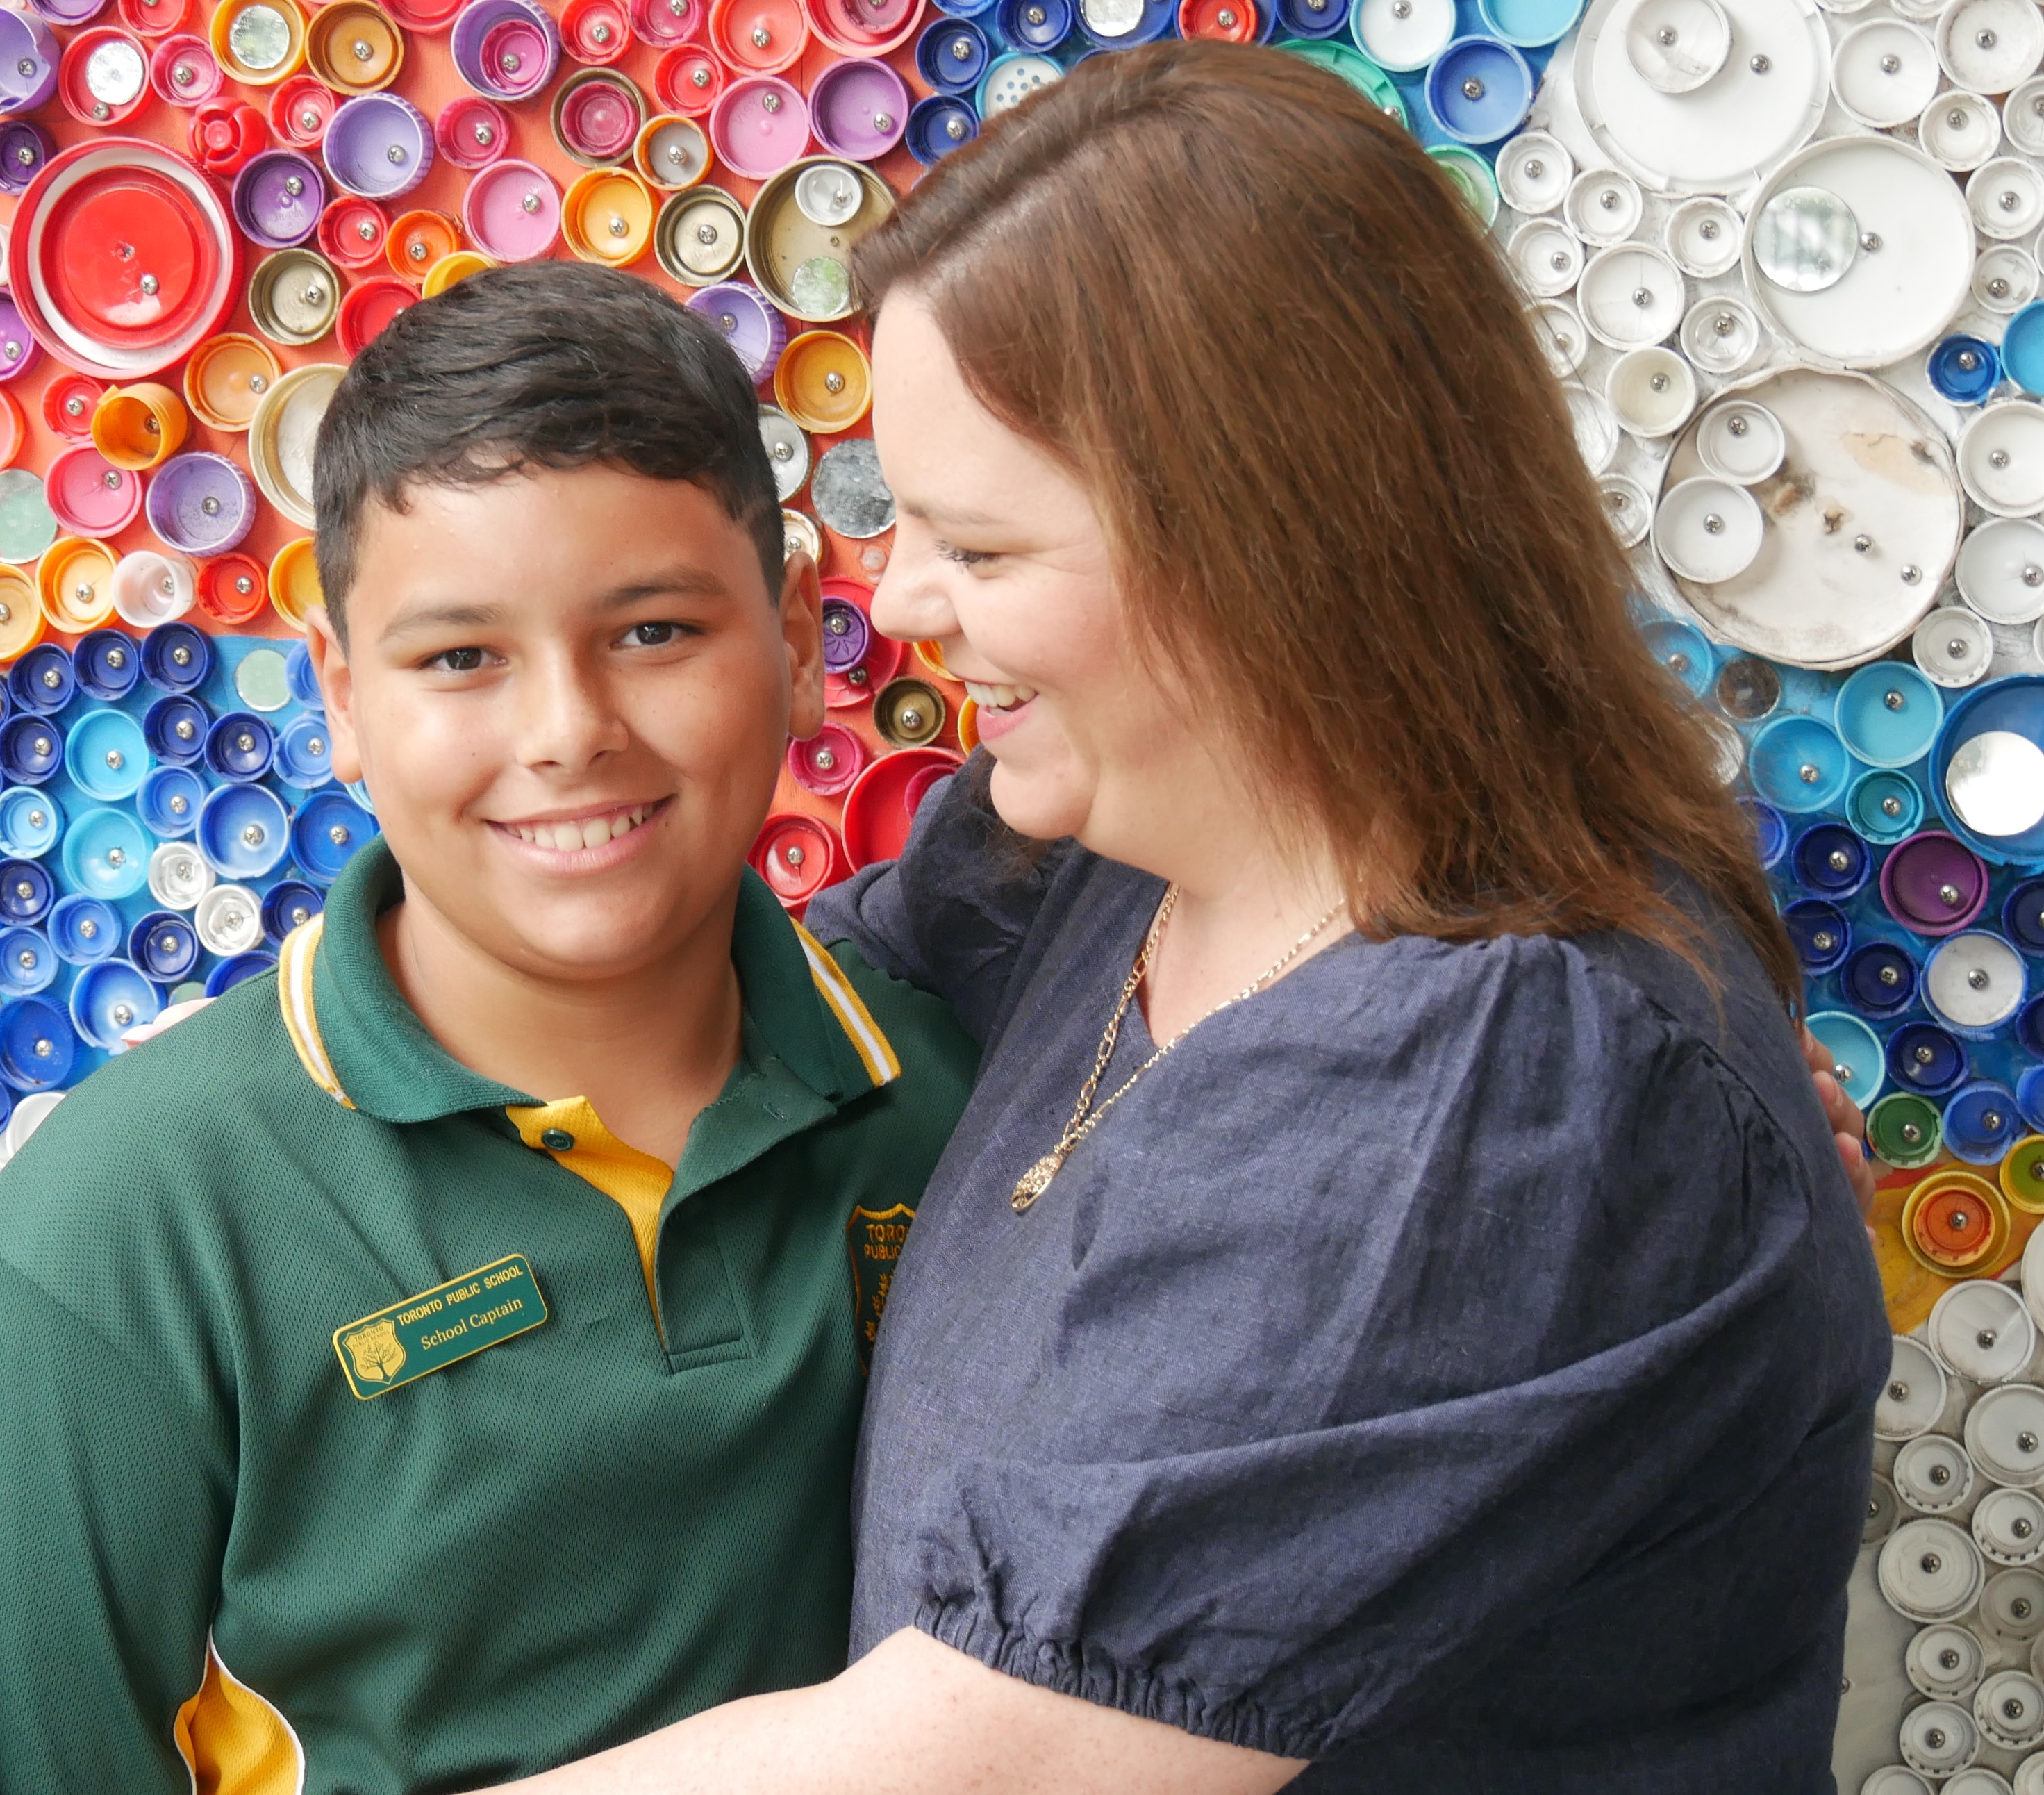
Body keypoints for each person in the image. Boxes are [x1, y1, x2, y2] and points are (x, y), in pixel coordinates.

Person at [496, 41, 1890, 1795]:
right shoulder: (1105, 864)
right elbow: (744, 1005)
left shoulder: (1497, 1085)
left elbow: (953, 1775)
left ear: (1269, 549)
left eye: (982, 550)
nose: (902, 600)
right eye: (903, 522)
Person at [0, 263, 979, 1794]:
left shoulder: (965, 1104)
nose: (567, 728)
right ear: (343, 696)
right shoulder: (125, 1231)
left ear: (796, 637)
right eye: (459, 659)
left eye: (651, 631)